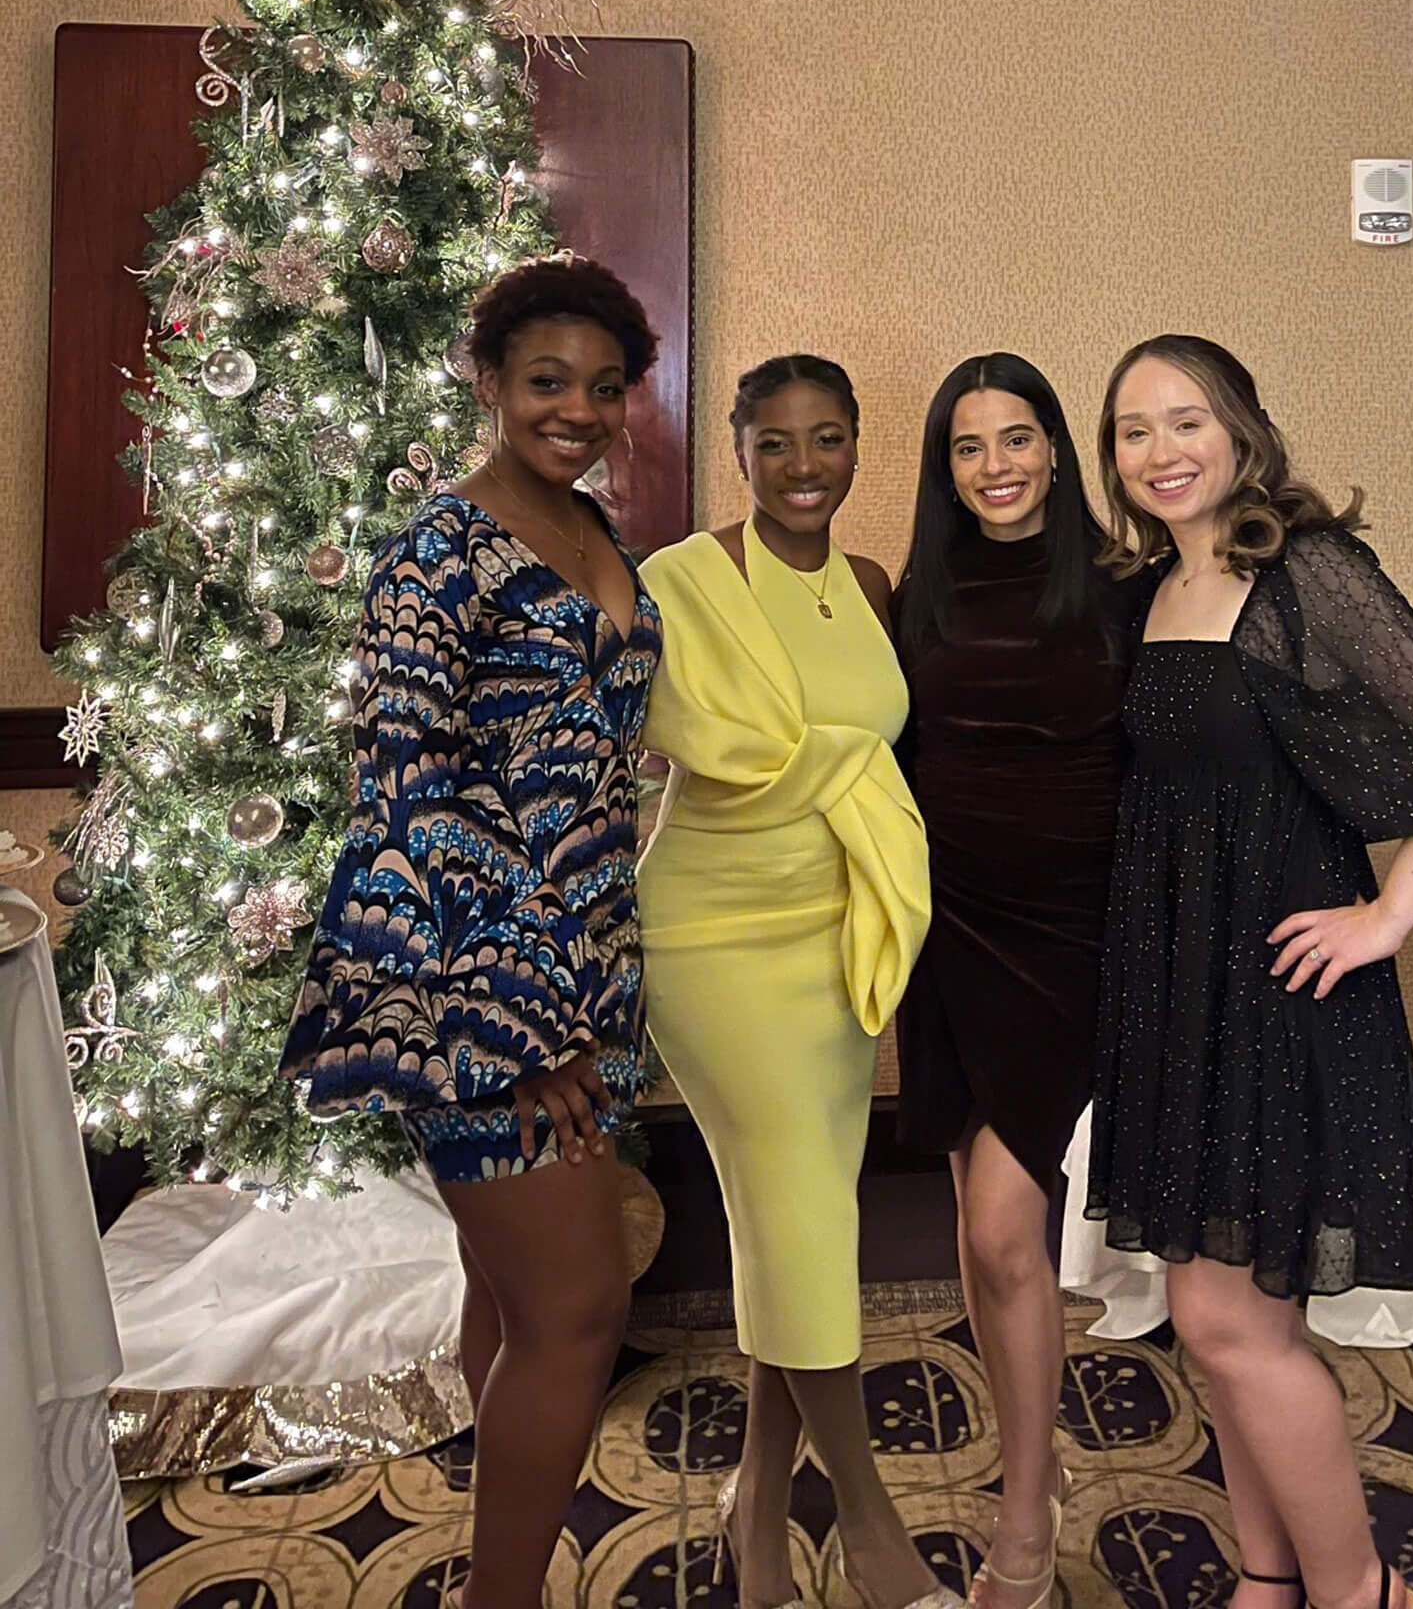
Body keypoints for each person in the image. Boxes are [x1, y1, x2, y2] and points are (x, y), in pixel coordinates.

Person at [1087, 335, 1413, 1609]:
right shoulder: (1147, 586)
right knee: (1229, 1325)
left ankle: (1356, 1589)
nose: (1161, 452)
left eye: (1186, 421)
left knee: (1230, 1326)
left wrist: (1386, 915)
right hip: (1175, 992)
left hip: (1279, 996)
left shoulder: (1304, 569)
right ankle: (1267, 1580)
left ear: (1243, 430)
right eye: (1131, 430)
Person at [282, 255, 664, 1609]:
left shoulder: (596, 532)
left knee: (512, 1304)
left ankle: (481, 1571)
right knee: (579, 1313)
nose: (578, 409)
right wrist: (528, 1025)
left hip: (596, 972)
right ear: (489, 381)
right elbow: (412, 797)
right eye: (547, 381)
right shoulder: (434, 555)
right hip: (482, 1000)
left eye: (605, 388)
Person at [636, 357, 959, 1609]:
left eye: (828, 440)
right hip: (717, 938)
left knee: (796, 1222)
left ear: (858, 445)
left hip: (839, 931)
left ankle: (756, 1504)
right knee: (805, 1216)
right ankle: (872, 1526)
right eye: (776, 443)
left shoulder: (875, 585)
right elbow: (696, 751)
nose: (805, 466)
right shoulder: (684, 580)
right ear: (738, 447)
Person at [893, 356, 1134, 1609]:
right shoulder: (918, 595)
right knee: (979, 1245)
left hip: (1065, 939)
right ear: (946, 466)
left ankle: (1026, 1515)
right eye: (970, 445)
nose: (996, 465)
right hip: (945, 933)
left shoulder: (1119, 584)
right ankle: (1029, 1464)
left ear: (1056, 450)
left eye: (1019, 438)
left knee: (1002, 1226)